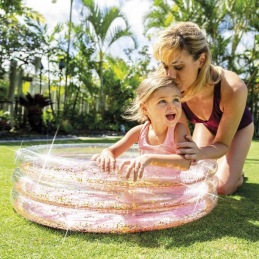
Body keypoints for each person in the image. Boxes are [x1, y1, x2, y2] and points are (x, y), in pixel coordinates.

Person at [152, 21, 254, 195]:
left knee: (222, 187)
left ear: (201, 60)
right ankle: (226, 167)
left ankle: (237, 176)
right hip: (206, 125)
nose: (170, 76)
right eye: (165, 66)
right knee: (193, 175)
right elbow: (179, 136)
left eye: (178, 67)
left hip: (238, 130)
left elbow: (222, 144)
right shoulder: (171, 86)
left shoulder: (233, 88)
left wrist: (199, 152)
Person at [91, 75, 191, 181]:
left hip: (172, 191)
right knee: (96, 158)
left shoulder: (178, 130)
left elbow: (185, 163)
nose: (172, 106)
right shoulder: (139, 132)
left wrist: (149, 158)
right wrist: (106, 155)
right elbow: (110, 151)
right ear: (145, 108)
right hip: (146, 187)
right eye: (162, 101)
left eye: (176, 99)